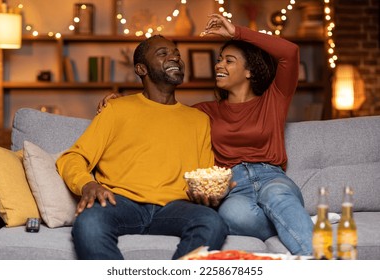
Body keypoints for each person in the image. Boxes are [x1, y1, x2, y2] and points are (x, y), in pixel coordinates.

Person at [98, 14, 314, 256]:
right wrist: (121, 103)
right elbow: (161, 113)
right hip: (233, 186)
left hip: (270, 175)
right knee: (232, 215)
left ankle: (323, 263)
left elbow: (290, 53)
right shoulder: (203, 112)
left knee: (276, 195)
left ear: (249, 71)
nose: (219, 65)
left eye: (229, 61)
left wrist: (236, 32)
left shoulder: (274, 99)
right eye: (219, 60)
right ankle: (297, 223)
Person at [56, 34, 228, 260]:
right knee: (89, 221)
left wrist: (210, 194)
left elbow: (204, 175)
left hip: (175, 208)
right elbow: (72, 157)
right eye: (163, 53)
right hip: (121, 203)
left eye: (176, 53)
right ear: (141, 69)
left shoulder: (198, 119)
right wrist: (87, 184)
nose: (175, 57)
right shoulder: (116, 109)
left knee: (212, 222)